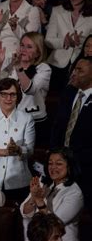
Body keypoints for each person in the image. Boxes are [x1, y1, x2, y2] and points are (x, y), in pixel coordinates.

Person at [20, 148, 84, 241]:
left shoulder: (74, 192)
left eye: (59, 163)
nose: (53, 167)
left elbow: (54, 225)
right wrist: (33, 197)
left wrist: (40, 201)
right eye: (50, 163)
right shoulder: (43, 184)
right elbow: (25, 212)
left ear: (69, 166)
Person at [0, 78, 35, 201]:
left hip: (19, 181)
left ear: (18, 96)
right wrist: (6, 152)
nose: (8, 98)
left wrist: (18, 149)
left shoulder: (27, 119)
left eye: (12, 94)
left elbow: (29, 151)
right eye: (4, 94)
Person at [0, 32, 51, 146]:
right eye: (22, 45)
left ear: (38, 53)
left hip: (34, 121)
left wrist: (19, 68)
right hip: (10, 119)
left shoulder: (43, 69)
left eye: (29, 47)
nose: (23, 49)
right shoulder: (10, 62)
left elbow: (30, 89)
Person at [50, 56, 92, 212]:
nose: (73, 73)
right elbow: (57, 126)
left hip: (86, 169)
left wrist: (73, 159)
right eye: (74, 69)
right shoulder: (69, 92)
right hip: (62, 167)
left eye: (80, 70)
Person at [45, 0, 92, 91]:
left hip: (80, 64)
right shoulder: (57, 11)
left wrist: (79, 43)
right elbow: (48, 40)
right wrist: (65, 42)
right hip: (56, 63)